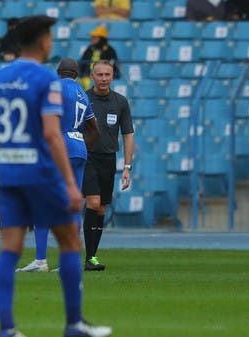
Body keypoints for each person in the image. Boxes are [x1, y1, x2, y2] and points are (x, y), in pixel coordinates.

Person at [0, 15, 111, 337]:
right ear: (44, 41)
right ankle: (74, 324)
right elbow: (52, 133)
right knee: (70, 240)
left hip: (9, 169)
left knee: (10, 246)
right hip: (40, 170)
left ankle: (7, 329)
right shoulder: (47, 81)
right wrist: (70, 183)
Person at [17, 58, 100, 273]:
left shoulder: (55, 88)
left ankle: (40, 261)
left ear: (57, 72)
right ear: (76, 72)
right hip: (79, 148)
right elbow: (95, 130)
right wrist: (80, 145)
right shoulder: (83, 93)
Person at [83, 59, 134, 271]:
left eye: (108, 75)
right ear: (92, 76)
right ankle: (88, 257)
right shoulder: (84, 99)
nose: (104, 79)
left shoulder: (120, 102)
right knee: (93, 203)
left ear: (113, 76)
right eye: (100, 75)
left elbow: (128, 135)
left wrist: (127, 167)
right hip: (88, 158)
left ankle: (91, 257)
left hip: (109, 159)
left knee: (102, 208)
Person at [78, 25, 120, 90]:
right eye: (92, 37)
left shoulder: (110, 50)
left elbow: (115, 68)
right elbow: (82, 64)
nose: (92, 38)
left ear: (101, 38)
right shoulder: (89, 49)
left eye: (94, 37)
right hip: (87, 78)